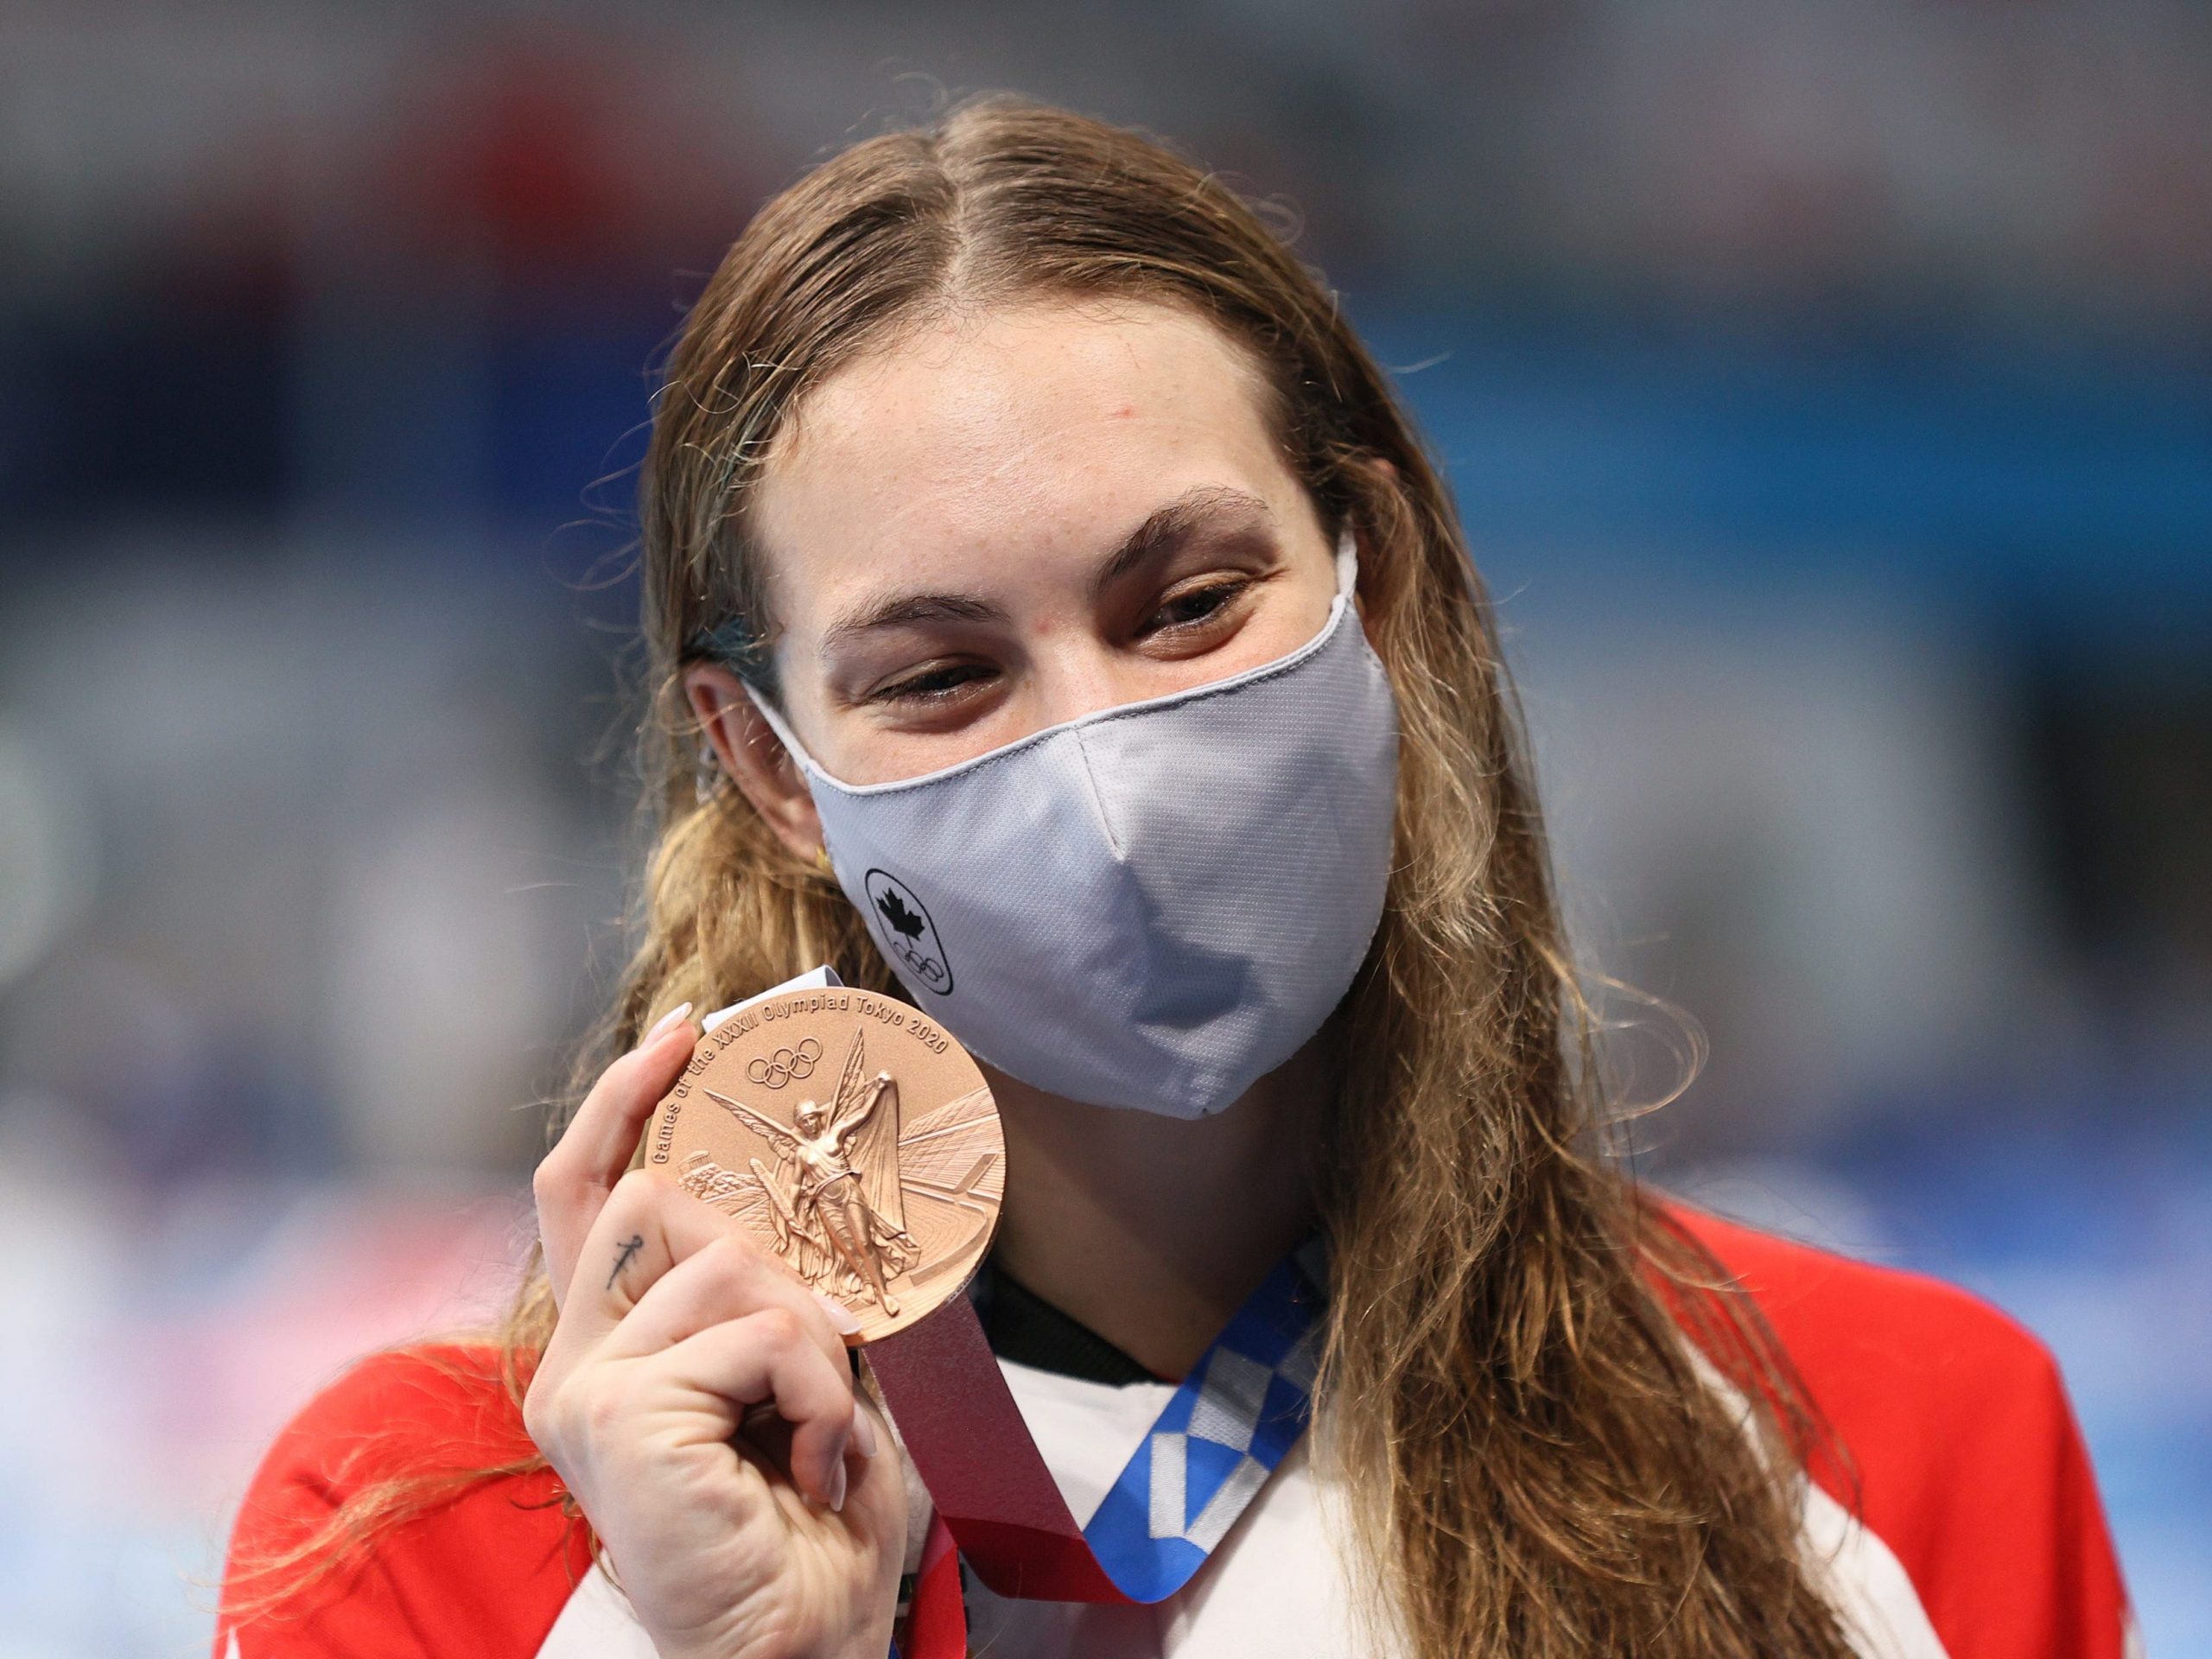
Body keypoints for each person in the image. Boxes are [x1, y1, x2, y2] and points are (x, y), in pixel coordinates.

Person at [213, 97, 2136, 1659]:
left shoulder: (1896, 1444)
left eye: (1188, 603)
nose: (1102, 772)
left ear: (1370, 582)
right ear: (766, 769)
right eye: (943, 673)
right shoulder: (436, 1536)